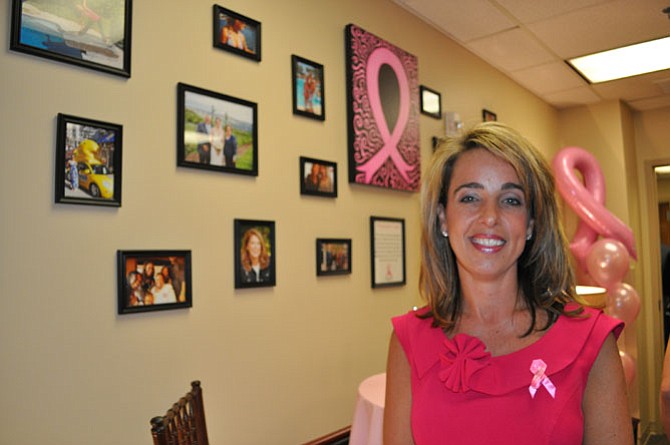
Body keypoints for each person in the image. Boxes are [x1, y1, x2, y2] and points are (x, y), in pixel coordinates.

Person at [384, 122, 632, 445]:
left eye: (511, 200)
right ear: (443, 218)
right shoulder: (407, 342)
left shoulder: (593, 343)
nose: (490, 216)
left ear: (530, 223)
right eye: (470, 197)